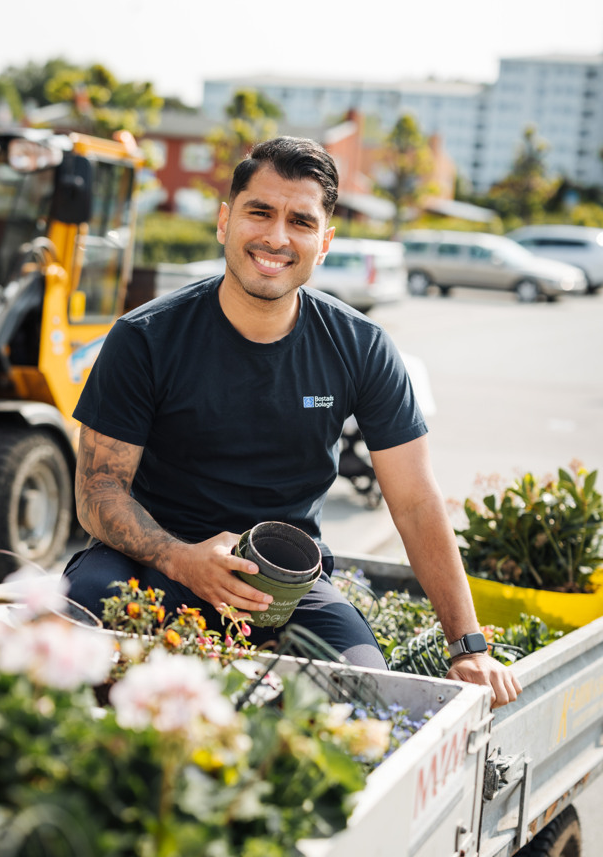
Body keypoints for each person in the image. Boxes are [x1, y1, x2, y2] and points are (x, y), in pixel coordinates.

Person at [64, 137, 520, 709]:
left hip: (289, 588)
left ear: (324, 242)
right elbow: (98, 491)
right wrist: (182, 560)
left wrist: (468, 644)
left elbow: (416, 503)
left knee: (364, 697)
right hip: (148, 565)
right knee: (77, 631)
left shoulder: (361, 347)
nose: (277, 237)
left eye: (301, 221)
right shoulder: (145, 337)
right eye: (260, 212)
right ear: (225, 220)